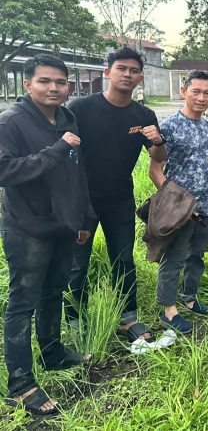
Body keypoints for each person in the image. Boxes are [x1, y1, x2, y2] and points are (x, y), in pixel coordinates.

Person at [0, 55, 96, 415]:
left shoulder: (66, 117)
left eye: (60, 82)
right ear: (28, 84)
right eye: (44, 81)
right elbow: (5, 170)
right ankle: (22, 383)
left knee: (54, 291)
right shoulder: (11, 122)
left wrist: (86, 216)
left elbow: (78, 171)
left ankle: (53, 353)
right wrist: (56, 150)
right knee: (23, 302)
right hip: (28, 227)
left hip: (64, 222)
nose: (53, 88)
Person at [65, 47, 167, 344]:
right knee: (76, 262)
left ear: (140, 78)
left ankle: (127, 318)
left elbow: (159, 156)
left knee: (123, 259)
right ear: (107, 72)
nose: (127, 74)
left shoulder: (144, 115)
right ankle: (74, 321)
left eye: (133, 71)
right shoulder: (81, 108)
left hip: (120, 198)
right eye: (121, 68)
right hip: (82, 199)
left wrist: (158, 141)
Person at [148, 70, 208, 334]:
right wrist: (174, 202)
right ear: (184, 91)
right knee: (174, 258)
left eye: (206, 93)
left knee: (196, 257)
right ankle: (169, 311)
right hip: (179, 211)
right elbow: (155, 169)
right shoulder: (168, 127)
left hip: (204, 206)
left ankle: (189, 298)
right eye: (196, 92)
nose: (201, 98)